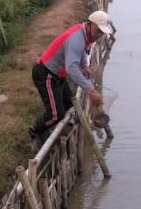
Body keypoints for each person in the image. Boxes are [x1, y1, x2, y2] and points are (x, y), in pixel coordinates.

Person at [29, 10, 112, 142]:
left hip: (59, 76)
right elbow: (71, 68)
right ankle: (35, 131)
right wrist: (90, 90)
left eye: (102, 33)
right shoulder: (76, 39)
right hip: (46, 74)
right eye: (97, 30)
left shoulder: (85, 34)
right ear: (89, 24)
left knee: (69, 104)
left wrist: (84, 66)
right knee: (56, 114)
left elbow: (83, 51)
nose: (99, 35)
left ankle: (57, 129)